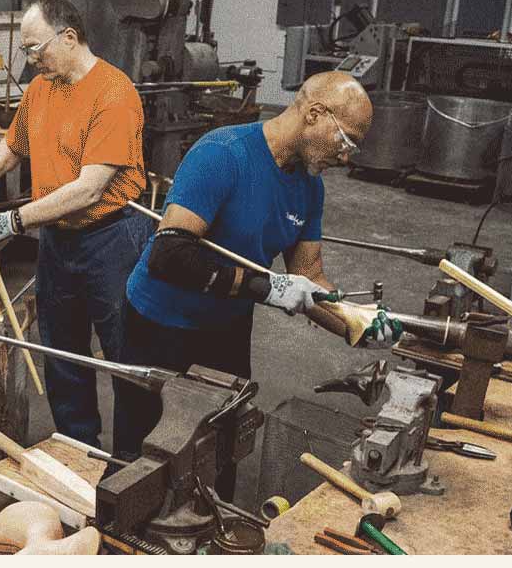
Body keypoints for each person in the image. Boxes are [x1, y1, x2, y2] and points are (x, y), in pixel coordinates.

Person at [114, 71, 401, 501]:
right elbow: (169, 255)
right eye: (346, 139)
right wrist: (264, 286)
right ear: (314, 112)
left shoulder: (309, 188)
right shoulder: (222, 154)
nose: (346, 157)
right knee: (141, 460)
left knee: (220, 447)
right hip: (159, 327)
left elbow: (309, 277)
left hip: (225, 330)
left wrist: (355, 324)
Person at [0, 0, 152, 449]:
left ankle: (133, 463)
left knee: (125, 357)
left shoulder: (114, 93)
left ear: (69, 37)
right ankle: (77, 446)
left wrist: (12, 221)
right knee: (61, 351)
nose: (30, 62)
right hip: (59, 242)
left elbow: (89, 189)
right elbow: (14, 142)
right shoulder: (40, 89)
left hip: (112, 239)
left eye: (34, 50)